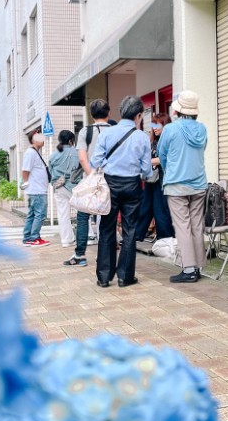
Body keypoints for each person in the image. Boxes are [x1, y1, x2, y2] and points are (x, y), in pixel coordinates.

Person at [89, 95, 153, 288]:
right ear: (139, 115)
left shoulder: (107, 134)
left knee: (106, 228)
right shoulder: (142, 137)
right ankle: (125, 276)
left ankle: (103, 277)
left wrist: (110, 163)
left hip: (109, 184)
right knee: (130, 230)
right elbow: (147, 171)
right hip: (132, 185)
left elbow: (95, 162)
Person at [158, 92, 208, 283]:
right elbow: (202, 151)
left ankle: (188, 269)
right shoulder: (202, 129)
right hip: (198, 183)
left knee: (182, 226)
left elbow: (162, 155)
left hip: (176, 184)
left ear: (177, 109)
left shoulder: (170, 129)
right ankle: (197, 266)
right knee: (196, 225)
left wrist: (170, 169)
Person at [63, 99, 113, 267]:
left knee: (83, 216)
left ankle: (80, 256)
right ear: (108, 113)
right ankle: (104, 255)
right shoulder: (115, 130)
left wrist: (92, 177)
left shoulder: (86, 131)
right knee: (106, 217)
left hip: (91, 179)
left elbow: (83, 158)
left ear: (92, 115)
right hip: (111, 180)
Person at [136, 112, 174, 242]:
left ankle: (166, 238)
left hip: (162, 179)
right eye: (153, 125)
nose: (155, 128)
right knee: (145, 207)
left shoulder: (169, 140)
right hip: (151, 178)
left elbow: (165, 159)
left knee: (160, 209)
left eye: (159, 125)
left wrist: (148, 161)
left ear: (166, 125)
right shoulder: (153, 141)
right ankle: (137, 235)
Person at [48, 129, 79, 248]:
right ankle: (88, 236)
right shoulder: (77, 152)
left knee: (63, 214)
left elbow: (51, 172)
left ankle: (67, 240)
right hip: (75, 186)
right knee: (82, 212)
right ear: (71, 141)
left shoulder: (53, 155)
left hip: (59, 186)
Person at [20, 131, 50, 246]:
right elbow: (25, 170)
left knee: (32, 214)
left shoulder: (34, 152)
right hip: (37, 190)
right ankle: (34, 238)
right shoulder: (31, 153)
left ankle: (28, 238)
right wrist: (27, 183)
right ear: (34, 140)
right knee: (40, 214)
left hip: (36, 189)